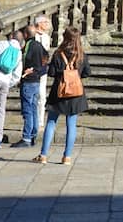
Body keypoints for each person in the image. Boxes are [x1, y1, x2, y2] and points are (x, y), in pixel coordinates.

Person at [34, 27, 89, 165]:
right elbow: (87, 72)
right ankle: (67, 157)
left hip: (59, 92)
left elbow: (51, 72)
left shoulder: (58, 54)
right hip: (75, 94)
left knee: (51, 123)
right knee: (72, 124)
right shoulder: (82, 55)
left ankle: (44, 155)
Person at [14, 20, 48, 149]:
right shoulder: (39, 46)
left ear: (26, 35)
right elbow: (46, 60)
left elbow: (23, 60)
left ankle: (26, 137)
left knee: (28, 110)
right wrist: (38, 70)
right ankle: (32, 135)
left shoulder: (28, 46)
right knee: (33, 108)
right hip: (36, 81)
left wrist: (32, 69)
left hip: (29, 81)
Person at [34, 15, 52, 135]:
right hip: (32, 69)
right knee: (33, 96)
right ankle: (32, 121)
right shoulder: (32, 35)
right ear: (39, 23)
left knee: (42, 95)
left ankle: (40, 121)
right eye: (45, 22)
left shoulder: (46, 37)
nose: (47, 24)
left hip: (42, 69)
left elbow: (47, 53)